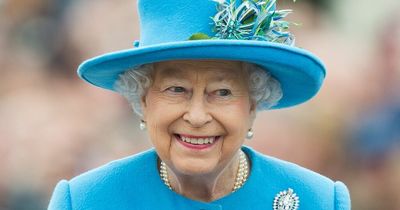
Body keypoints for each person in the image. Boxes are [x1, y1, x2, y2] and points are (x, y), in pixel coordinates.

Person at [48, 0, 351, 209]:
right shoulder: (86, 201)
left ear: (253, 105)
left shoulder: (319, 201)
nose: (196, 116)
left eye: (221, 92)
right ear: (143, 99)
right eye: (176, 89)